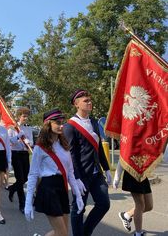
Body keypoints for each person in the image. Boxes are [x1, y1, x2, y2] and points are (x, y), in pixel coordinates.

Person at [24, 108, 84, 236]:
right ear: (48, 124)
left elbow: (70, 173)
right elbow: (33, 174)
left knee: (63, 232)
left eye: (62, 121)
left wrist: (77, 195)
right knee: (62, 233)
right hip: (48, 189)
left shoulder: (64, 145)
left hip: (62, 188)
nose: (61, 125)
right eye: (57, 122)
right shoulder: (40, 148)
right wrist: (28, 202)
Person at [63, 89, 112, 236]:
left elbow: (98, 148)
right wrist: (75, 178)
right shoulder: (70, 126)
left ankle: (85, 232)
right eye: (86, 101)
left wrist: (107, 169)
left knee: (104, 204)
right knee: (78, 208)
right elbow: (71, 155)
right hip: (81, 175)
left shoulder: (94, 122)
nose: (89, 102)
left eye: (90, 100)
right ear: (76, 104)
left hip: (96, 172)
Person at [113, 161, 152, 236]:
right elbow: (123, 156)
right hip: (131, 173)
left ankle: (126, 215)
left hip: (143, 174)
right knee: (140, 205)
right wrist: (117, 177)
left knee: (149, 206)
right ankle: (138, 233)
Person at [8, 107, 34, 214]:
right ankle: (22, 204)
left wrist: (29, 142)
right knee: (20, 178)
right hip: (15, 153)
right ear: (19, 116)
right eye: (23, 116)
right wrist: (18, 137)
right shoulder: (12, 128)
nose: (25, 118)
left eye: (27, 116)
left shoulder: (28, 128)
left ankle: (12, 188)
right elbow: (9, 141)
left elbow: (31, 141)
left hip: (24, 153)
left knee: (26, 177)